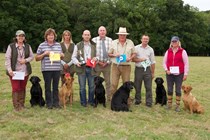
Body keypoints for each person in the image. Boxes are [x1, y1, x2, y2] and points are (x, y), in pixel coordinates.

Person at [5, 30, 34, 111]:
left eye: (22, 36)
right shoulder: (11, 46)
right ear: (16, 37)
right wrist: (9, 70)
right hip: (14, 72)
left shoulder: (28, 46)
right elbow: (7, 59)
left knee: (22, 87)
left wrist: (25, 60)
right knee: (15, 88)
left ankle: (22, 105)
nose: (20, 37)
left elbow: (32, 57)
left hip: (25, 72)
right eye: (19, 36)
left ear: (24, 37)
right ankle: (16, 106)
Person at [35, 28, 64, 109]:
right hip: (46, 69)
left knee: (55, 87)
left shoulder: (58, 45)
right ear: (46, 36)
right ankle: (49, 104)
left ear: (54, 36)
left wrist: (62, 55)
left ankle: (56, 103)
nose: (51, 36)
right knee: (48, 87)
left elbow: (62, 56)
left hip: (57, 69)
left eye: (52, 35)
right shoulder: (42, 45)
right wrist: (44, 54)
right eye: (49, 35)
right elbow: (36, 58)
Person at [108, 27, 136, 99]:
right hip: (115, 66)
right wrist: (114, 55)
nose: (122, 36)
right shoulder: (113, 42)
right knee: (114, 84)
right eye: (121, 35)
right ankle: (113, 99)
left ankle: (126, 100)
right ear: (118, 35)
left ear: (126, 35)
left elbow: (134, 53)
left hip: (126, 66)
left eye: (124, 35)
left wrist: (130, 58)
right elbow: (109, 54)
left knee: (127, 84)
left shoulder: (130, 42)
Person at [163, 36, 189, 112]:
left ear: (178, 42)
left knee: (178, 90)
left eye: (175, 42)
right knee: (170, 89)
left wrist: (185, 74)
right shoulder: (168, 51)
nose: (174, 43)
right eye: (173, 42)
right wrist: (166, 70)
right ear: (171, 43)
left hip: (179, 74)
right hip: (169, 74)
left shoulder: (183, 51)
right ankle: (169, 104)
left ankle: (177, 105)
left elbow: (186, 63)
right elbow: (164, 62)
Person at [72, 30, 97, 107]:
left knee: (92, 86)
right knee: (82, 87)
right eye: (85, 35)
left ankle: (91, 101)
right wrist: (77, 62)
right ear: (82, 36)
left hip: (91, 68)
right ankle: (83, 102)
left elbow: (98, 55)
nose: (86, 36)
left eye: (88, 35)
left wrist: (96, 58)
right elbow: (73, 57)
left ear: (90, 36)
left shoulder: (94, 45)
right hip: (81, 68)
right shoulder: (78, 45)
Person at [132, 35, 156, 107]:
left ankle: (149, 101)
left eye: (147, 39)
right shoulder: (136, 48)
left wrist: (152, 72)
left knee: (148, 86)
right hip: (139, 69)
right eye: (144, 39)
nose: (145, 40)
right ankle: (137, 100)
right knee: (137, 85)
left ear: (148, 40)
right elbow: (133, 59)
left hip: (147, 69)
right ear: (141, 40)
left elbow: (153, 62)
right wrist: (140, 59)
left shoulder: (150, 49)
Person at [92, 26, 112, 101]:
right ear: (98, 32)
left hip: (107, 64)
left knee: (108, 82)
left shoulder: (110, 40)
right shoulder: (94, 40)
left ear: (106, 32)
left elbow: (112, 52)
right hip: (97, 64)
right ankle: (95, 97)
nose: (102, 32)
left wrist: (107, 62)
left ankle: (108, 98)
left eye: (103, 30)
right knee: (95, 82)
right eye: (101, 30)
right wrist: (99, 62)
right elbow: (92, 53)